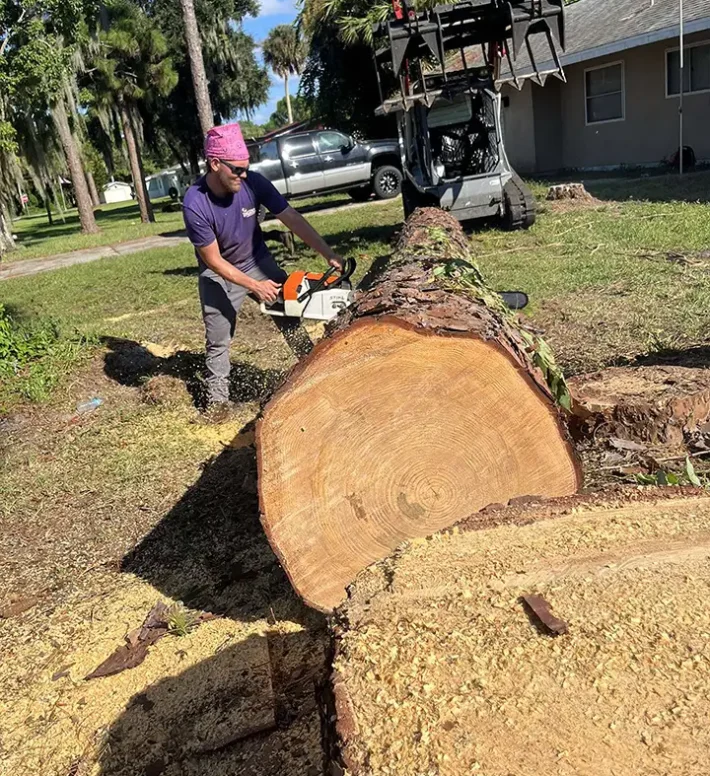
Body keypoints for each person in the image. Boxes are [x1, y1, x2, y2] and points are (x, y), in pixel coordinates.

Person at [182, 122, 343, 422]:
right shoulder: (195, 203)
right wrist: (254, 287)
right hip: (219, 272)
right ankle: (217, 403)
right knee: (218, 338)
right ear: (215, 163)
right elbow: (214, 261)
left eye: (246, 168)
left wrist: (327, 252)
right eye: (237, 170)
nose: (243, 176)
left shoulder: (253, 183)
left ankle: (310, 366)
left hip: (257, 258)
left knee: (288, 309)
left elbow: (291, 217)